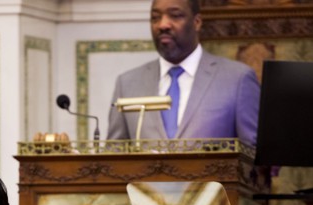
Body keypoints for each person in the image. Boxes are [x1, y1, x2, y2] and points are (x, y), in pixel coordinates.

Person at [107, 0, 259, 144]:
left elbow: (254, 156)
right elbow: (113, 158)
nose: (163, 25)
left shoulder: (237, 79)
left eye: (175, 15)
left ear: (197, 22)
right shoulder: (127, 84)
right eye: (155, 18)